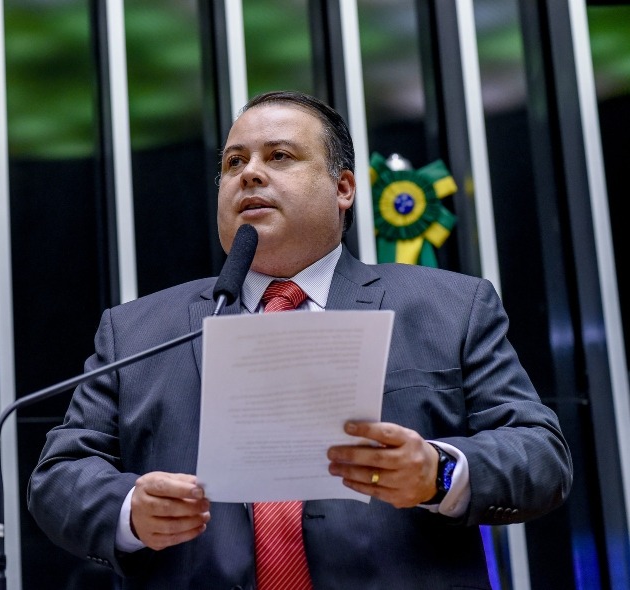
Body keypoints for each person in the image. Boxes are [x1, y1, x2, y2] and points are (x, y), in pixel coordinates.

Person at [28, 90, 572, 589]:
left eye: (280, 156)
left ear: (343, 188)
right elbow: (59, 477)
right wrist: (130, 509)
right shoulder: (137, 332)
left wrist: (438, 472)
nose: (250, 174)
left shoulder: (450, 308)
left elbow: (541, 454)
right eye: (233, 162)